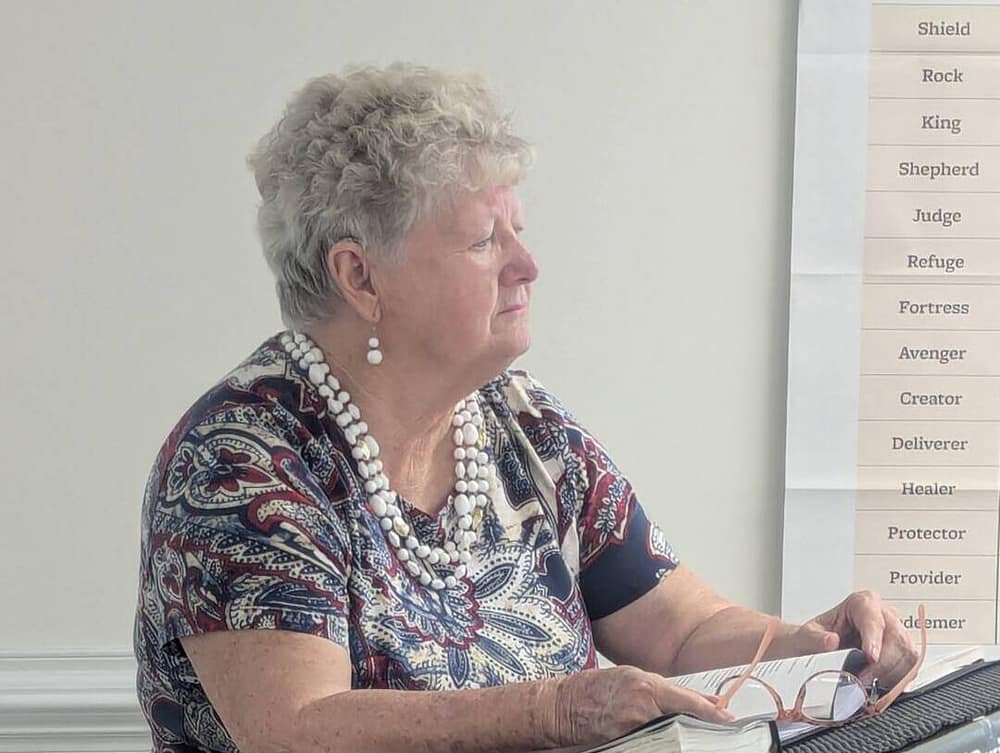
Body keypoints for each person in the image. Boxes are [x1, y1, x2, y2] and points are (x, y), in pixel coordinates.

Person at [133, 62, 918, 753]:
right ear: (360, 277)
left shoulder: (525, 426)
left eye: (520, 230)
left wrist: (821, 647)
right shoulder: (241, 457)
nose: (527, 264)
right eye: (483, 241)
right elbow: (298, 727)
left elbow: (680, 630)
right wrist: (555, 709)